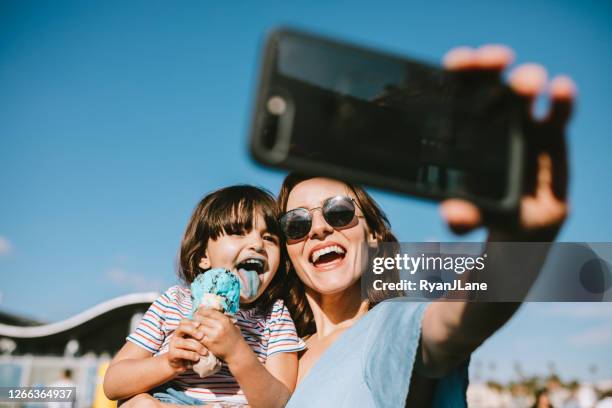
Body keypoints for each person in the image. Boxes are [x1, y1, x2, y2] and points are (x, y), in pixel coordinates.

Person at [278, 45, 576, 407]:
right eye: (296, 223)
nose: (319, 229)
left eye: (338, 212)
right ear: (287, 250)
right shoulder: (274, 354)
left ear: (373, 234)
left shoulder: (388, 328)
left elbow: (454, 323)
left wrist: (520, 240)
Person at [103, 185, 305, 407]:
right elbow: (113, 384)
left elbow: (280, 402)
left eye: (269, 238)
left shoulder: (274, 316)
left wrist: (237, 351)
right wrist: (171, 363)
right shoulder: (173, 302)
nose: (257, 245)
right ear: (202, 257)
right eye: (238, 232)